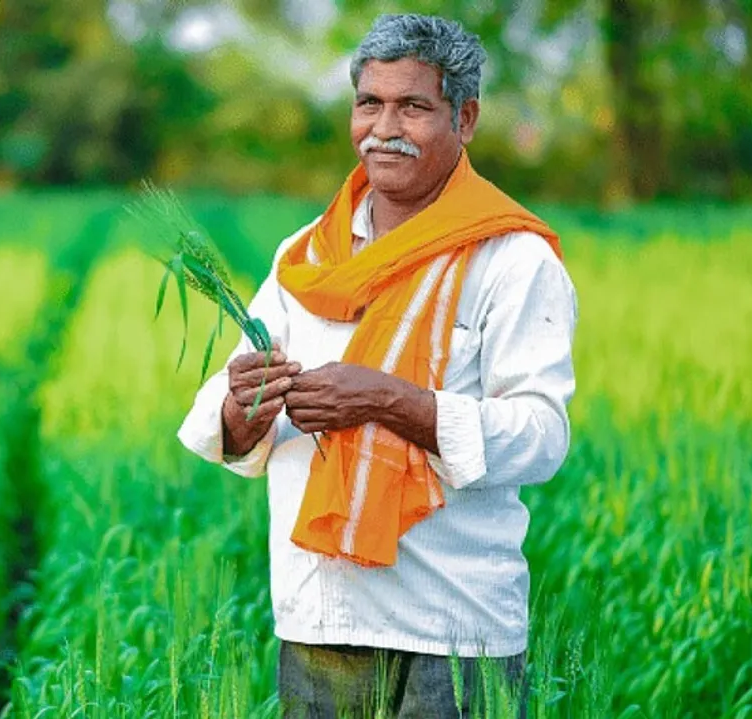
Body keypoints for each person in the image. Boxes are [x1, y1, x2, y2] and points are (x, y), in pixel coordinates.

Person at [176, 12, 578, 719]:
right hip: (321, 616)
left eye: (413, 106)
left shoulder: (512, 261)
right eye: (370, 103)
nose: (383, 127)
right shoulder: (307, 254)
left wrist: (391, 400)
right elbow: (236, 421)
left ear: (466, 117)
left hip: (456, 625)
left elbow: (543, 436)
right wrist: (243, 404)